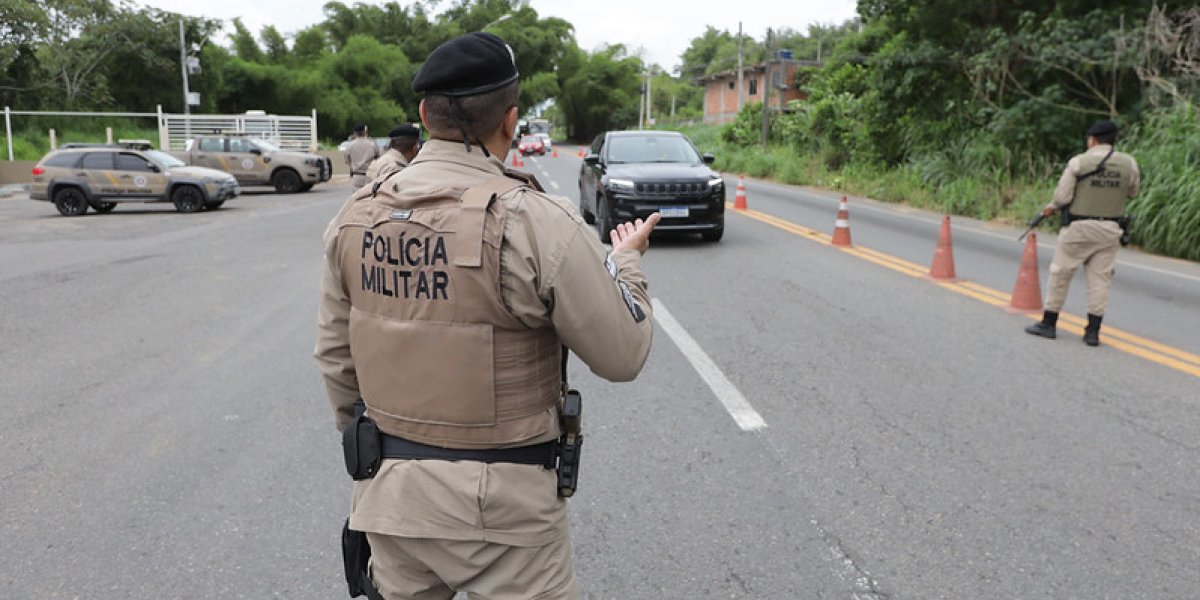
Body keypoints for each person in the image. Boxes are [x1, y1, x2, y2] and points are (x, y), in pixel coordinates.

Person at [314, 31, 661, 599]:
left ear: (424, 115)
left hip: (390, 499)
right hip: (507, 519)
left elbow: (335, 359)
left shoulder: (355, 217)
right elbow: (623, 355)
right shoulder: (537, 222)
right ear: (510, 120)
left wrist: (386, 453)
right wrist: (626, 265)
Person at [1025, 120, 1139, 346]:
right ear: (1113, 140)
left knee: (1060, 274)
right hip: (1110, 230)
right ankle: (1092, 332)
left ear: (1092, 140)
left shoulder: (1078, 162)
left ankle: (1049, 324)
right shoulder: (1129, 163)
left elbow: (1062, 198)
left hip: (1078, 228)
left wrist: (1052, 207)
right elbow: (1132, 193)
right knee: (1100, 280)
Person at [344, 123, 379, 190]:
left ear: (354, 132)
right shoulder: (372, 144)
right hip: (370, 174)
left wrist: (352, 165)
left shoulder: (350, 145)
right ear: (364, 131)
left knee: (357, 195)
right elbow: (377, 157)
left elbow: (347, 159)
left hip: (357, 175)